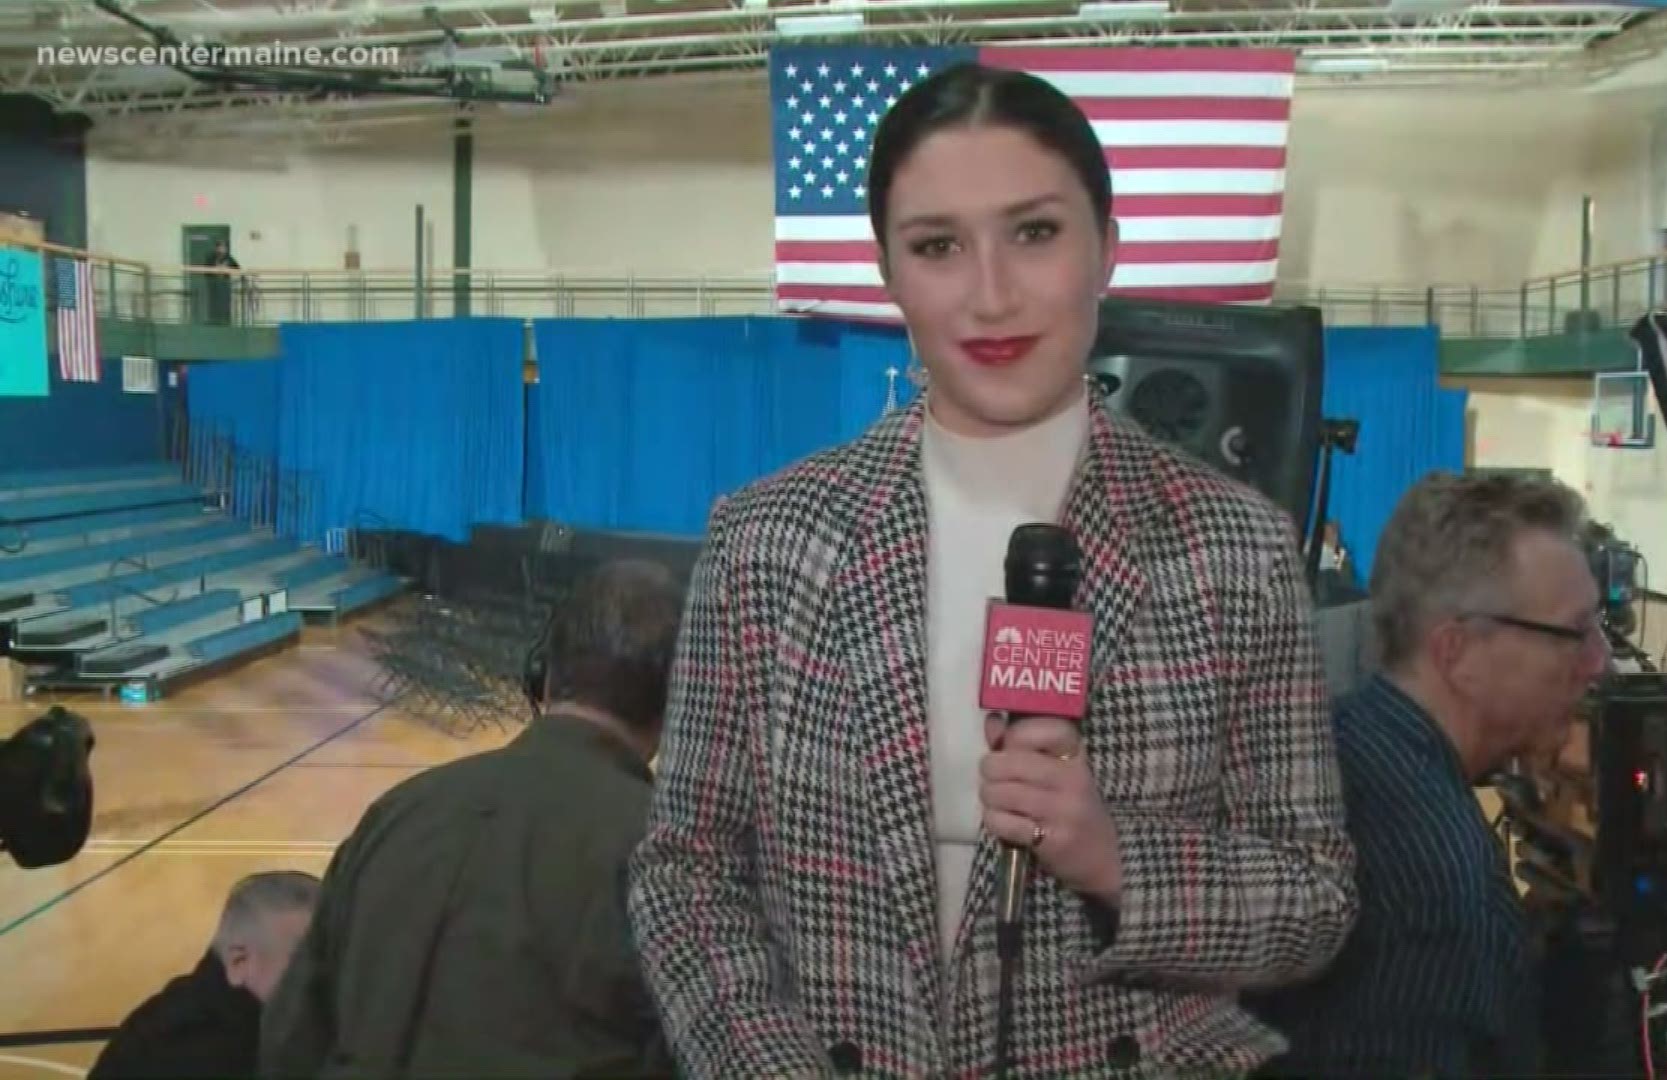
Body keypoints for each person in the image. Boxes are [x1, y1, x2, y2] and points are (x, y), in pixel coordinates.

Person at [627, 62, 1356, 1080]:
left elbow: (1314, 901)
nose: (991, 293)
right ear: (890, 273)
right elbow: (686, 872)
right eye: (938, 247)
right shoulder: (765, 541)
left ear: (1107, 246)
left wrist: (1115, 858)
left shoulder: (1232, 548)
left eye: (1035, 233)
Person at [259, 559, 681, 1079]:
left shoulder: (397, 813)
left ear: (540, 675)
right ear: (679, 701)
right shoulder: (668, 855)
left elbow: (291, 1041)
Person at [1252, 472, 1610, 1076]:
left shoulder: (1330, 745)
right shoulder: (1442, 883)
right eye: (1575, 634)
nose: (1600, 662)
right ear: (1457, 651)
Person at [91, 871, 318, 1080]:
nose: (323, 975)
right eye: (305, 961)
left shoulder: (228, 1014)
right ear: (239, 961)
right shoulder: (187, 1052)